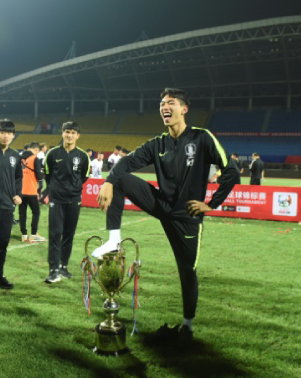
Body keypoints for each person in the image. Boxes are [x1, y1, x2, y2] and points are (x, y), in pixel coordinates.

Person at [93, 88, 240, 343]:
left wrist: (211, 204)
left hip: (187, 216)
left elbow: (232, 171)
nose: (164, 107)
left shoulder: (202, 137)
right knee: (120, 179)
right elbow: (126, 163)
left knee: (187, 272)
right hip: (162, 204)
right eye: (162, 103)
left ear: (184, 109)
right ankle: (114, 240)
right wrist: (108, 182)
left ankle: (187, 326)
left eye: (170, 102)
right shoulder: (158, 143)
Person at [44, 122, 90, 283]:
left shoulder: (83, 156)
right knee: (55, 234)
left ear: (78, 136)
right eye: (67, 132)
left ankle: (63, 266)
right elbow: (48, 174)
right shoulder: (52, 153)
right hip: (56, 200)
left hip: (74, 200)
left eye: (73, 132)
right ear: (62, 133)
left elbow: (84, 176)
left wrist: (73, 188)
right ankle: (53, 269)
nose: (69, 135)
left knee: (68, 235)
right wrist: (56, 189)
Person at [0, 119, 22, 290]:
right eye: (2, 132)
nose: (6, 136)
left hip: (7, 207)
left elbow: (18, 177)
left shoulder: (15, 155)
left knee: (2, 244)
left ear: (13, 135)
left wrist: (18, 194)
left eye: (9, 133)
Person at [19, 142, 45, 242]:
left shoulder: (20, 158)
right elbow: (39, 176)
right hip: (31, 190)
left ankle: (24, 235)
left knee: (22, 213)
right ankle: (34, 234)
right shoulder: (35, 158)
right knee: (36, 212)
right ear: (36, 150)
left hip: (21, 190)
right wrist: (42, 174)